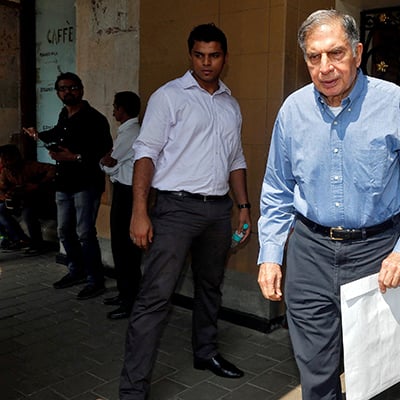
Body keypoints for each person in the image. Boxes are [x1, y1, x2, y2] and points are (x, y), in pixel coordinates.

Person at [257, 10, 400, 400]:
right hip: (309, 254)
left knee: (374, 377)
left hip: (376, 255)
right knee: (316, 376)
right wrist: (271, 254)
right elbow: (276, 188)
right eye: (314, 57)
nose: (325, 67)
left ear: (357, 53)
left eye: (336, 53)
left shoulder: (394, 104)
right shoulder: (292, 111)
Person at [119, 23, 251, 400]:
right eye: (199, 55)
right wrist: (139, 211)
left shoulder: (230, 104)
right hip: (175, 209)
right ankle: (133, 389)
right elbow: (146, 152)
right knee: (155, 297)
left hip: (217, 211)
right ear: (190, 55)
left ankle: (205, 353)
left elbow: (236, 158)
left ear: (225, 57)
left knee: (210, 287)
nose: (206, 63)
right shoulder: (169, 97)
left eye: (214, 56)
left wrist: (243, 207)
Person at [23, 72, 113, 299]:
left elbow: (105, 151)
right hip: (63, 182)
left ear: (81, 89)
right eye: (63, 89)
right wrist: (38, 135)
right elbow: (57, 133)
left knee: (85, 233)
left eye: (72, 87)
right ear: (58, 93)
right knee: (64, 230)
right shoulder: (65, 114)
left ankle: (96, 280)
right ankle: (76, 271)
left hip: (86, 183)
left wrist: (75, 157)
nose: (68, 92)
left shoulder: (95, 119)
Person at [100, 91, 143, 320]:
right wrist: (107, 162)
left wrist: (105, 162)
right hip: (122, 191)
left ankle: (130, 300)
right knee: (119, 246)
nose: (113, 111)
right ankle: (124, 293)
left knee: (126, 248)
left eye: (115, 107)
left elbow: (109, 164)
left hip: (127, 193)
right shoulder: (126, 131)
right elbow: (110, 162)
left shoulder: (131, 133)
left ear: (123, 109)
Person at [0, 144, 56, 253]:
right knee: (1, 210)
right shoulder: (6, 171)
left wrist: (37, 185)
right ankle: (20, 239)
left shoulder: (30, 166)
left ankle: (37, 244)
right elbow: (2, 188)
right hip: (20, 201)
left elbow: (53, 169)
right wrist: (6, 195)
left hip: (38, 201)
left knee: (28, 214)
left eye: (5, 158)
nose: (3, 161)